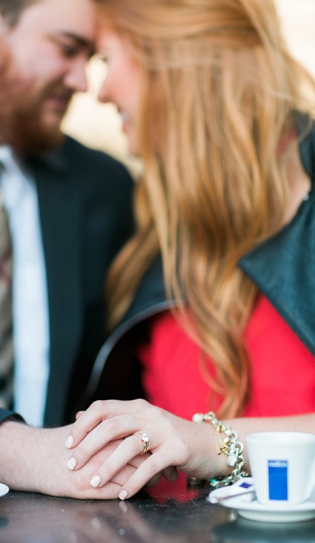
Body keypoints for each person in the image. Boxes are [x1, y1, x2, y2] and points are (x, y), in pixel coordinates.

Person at [64, 0, 315, 500]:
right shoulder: (138, 229)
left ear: (171, 55)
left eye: (107, 59)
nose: (98, 89)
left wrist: (212, 442)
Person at [0, 0, 142, 497]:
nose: (82, 82)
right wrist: (16, 450)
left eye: (91, 58)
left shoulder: (105, 189)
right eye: (67, 49)